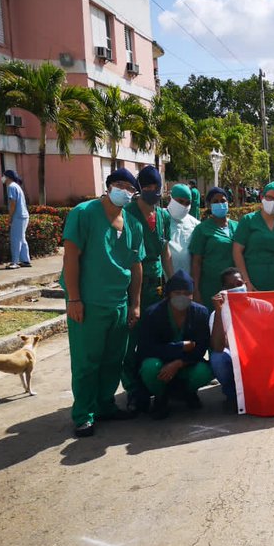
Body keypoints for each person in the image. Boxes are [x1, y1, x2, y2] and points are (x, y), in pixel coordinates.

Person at [60, 167, 145, 437]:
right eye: (119, 185)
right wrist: (74, 297)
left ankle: (105, 404)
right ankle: (84, 414)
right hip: (89, 301)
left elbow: (136, 264)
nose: (124, 191)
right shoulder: (84, 213)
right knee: (87, 361)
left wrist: (135, 303)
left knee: (113, 360)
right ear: (108, 186)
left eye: (130, 188)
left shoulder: (132, 224)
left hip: (118, 302)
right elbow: (71, 257)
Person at [121, 165, 174, 412]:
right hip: (134, 285)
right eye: (148, 187)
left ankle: (156, 385)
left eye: (156, 187)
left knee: (156, 336)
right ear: (140, 188)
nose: (153, 192)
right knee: (132, 340)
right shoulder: (128, 214)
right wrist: (135, 300)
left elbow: (166, 252)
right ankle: (133, 390)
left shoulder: (162, 216)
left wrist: (172, 281)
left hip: (158, 286)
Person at [136, 269, 212, 421]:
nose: (182, 297)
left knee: (205, 371)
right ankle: (160, 397)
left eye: (186, 293)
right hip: (160, 363)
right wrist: (179, 347)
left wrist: (179, 363)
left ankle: (188, 393)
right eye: (177, 293)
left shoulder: (201, 313)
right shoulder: (153, 313)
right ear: (169, 294)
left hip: (186, 364)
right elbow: (145, 348)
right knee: (150, 367)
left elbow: (201, 348)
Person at [232, 181, 274, 292]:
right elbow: (237, 252)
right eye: (269, 197)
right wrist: (246, 282)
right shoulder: (248, 221)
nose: (273, 202)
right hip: (253, 285)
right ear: (262, 197)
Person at [188, 187, 238, 312]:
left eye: (223, 200)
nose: (220, 203)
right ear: (209, 205)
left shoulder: (237, 226)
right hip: (210, 287)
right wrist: (196, 291)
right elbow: (196, 262)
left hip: (234, 287)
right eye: (215, 201)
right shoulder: (202, 229)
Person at [209, 267, 246, 410]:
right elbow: (218, 347)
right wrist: (219, 311)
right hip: (234, 357)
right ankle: (233, 396)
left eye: (239, 284)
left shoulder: (261, 306)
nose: (236, 289)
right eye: (231, 287)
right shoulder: (217, 314)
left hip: (256, 356)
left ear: (245, 284)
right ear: (223, 290)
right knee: (218, 358)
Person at [166, 183, 200, 276]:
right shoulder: (160, 219)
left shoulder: (195, 224)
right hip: (164, 280)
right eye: (180, 202)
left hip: (187, 281)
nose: (184, 206)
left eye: (187, 203)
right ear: (170, 199)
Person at [3, 169, 30, 269]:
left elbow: (13, 203)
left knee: (15, 239)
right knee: (22, 238)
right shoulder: (17, 186)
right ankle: (25, 260)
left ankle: (15, 262)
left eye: (3, 176)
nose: (2, 178)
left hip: (18, 216)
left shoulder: (11, 187)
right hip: (23, 215)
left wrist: (10, 217)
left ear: (8, 177)